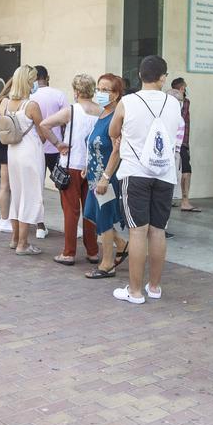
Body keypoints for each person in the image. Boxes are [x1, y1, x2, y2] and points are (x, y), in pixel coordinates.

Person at [102, 55, 184, 304]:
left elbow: (112, 131)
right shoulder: (174, 103)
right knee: (158, 231)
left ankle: (135, 291)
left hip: (135, 172)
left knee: (138, 232)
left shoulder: (127, 102)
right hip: (165, 173)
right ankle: (155, 286)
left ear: (139, 75)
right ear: (163, 77)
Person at [44, 74, 103, 265]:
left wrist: (57, 143)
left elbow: (45, 125)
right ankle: (93, 251)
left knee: (71, 211)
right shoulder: (101, 111)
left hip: (71, 166)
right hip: (94, 167)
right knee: (90, 210)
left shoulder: (71, 110)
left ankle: (69, 253)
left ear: (76, 91)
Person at [0, 66, 56, 256]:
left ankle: (15, 239)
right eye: (32, 81)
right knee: (30, 197)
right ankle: (23, 243)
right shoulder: (31, 105)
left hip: (12, 152)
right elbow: (43, 131)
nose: (34, 85)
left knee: (17, 195)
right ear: (27, 82)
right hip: (30, 152)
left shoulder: (4, 103)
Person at [83, 74, 130, 280]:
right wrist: (87, 166)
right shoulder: (103, 114)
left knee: (104, 219)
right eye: (99, 89)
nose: (100, 94)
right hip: (95, 175)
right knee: (96, 216)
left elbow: (116, 151)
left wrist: (104, 177)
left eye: (106, 90)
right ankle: (121, 245)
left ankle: (107, 264)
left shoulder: (116, 118)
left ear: (117, 94)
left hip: (107, 178)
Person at [31, 65, 67, 239]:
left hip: (36, 148)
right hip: (55, 148)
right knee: (63, 187)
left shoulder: (30, 97)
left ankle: (39, 226)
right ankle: (70, 224)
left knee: (37, 188)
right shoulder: (58, 94)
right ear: (48, 76)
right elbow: (66, 121)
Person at [168, 78, 199, 213]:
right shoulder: (183, 102)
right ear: (181, 88)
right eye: (185, 87)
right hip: (181, 142)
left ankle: (170, 199)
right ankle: (185, 201)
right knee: (186, 170)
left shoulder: (168, 101)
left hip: (176, 142)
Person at [0, 80, 14, 234]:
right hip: (7, 144)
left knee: (7, 185)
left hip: (6, 144)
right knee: (6, 184)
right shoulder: (6, 101)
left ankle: (6, 219)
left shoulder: (0, 100)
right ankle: (5, 219)